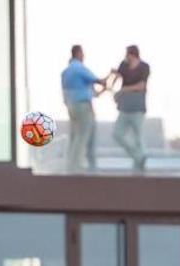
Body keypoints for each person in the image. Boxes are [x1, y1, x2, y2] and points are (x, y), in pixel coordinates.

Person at [61, 45, 107, 173]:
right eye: (82, 53)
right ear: (78, 53)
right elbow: (99, 80)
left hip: (71, 106)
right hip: (82, 106)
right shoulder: (79, 68)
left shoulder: (66, 72)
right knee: (83, 136)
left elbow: (94, 92)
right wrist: (111, 75)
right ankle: (76, 166)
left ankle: (72, 166)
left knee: (75, 135)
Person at [109, 45, 150, 172]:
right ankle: (138, 157)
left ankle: (139, 167)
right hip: (124, 108)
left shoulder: (144, 67)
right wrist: (112, 88)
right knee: (117, 134)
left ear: (132, 55)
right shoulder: (124, 65)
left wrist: (124, 90)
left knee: (138, 137)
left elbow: (141, 86)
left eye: (127, 55)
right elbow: (115, 78)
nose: (125, 57)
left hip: (137, 107)